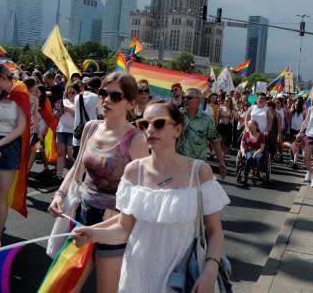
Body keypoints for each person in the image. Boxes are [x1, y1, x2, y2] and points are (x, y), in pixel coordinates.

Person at [70, 100, 230, 293]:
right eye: (144, 124)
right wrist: (93, 234)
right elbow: (123, 228)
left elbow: (215, 230)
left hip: (182, 279)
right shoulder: (133, 171)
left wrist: (210, 271)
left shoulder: (199, 172)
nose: (150, 129)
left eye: (159, 123)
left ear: (177, 130)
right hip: (136, 278)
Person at [49, 72, 148, 293]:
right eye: (103, 93)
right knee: (62, 287)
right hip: (82, 215)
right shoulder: (91, 127)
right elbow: (76, 169)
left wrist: (118, 212)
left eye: (115, 96)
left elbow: (141, 194)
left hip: (113, 224)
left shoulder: (137, 140)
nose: (106, 100)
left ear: (131, 104)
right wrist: (60, 195)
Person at [0, 64, 30, 251]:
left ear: (2, 77)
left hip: (8, 146)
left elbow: (20, 129)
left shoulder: (20, 95)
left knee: (0, 197)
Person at [179, 88, 227, 179]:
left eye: (189, 98)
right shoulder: (177, 116)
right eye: (184, 97)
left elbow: (215, 142)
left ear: (198, 100)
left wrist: (221, 162)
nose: (185, 99)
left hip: (196, 167)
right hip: (177, 165)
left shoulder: (207, 120)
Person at [72, 76, 100, 158]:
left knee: (78, 166)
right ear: (98, 88)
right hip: (91, 136)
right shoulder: (96, 97)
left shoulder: (77, 97)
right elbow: (101, 115)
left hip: (78, 135)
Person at [55, 82, 79, 178]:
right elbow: (57, 115)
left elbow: (78, 116)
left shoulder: (79, 102)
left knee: (71, 155)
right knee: (60, 153)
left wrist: (68, 110)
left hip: (73, 131)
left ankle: (76, 175)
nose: (71, 94)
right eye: (69, 93)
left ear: (78, 92)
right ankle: (58, 175)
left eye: (73, 92)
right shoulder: (63, 101)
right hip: (61, 130)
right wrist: (58, 111)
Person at [239, 119, 266, 185]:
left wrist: (255, 153)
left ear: (255, 126)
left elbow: (262, 148)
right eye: (248, 125)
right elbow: (242, 145)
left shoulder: (261, 135)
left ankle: (258, 173)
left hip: (258, 151)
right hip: (248, 151)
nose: (249, 126)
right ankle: (245, 176)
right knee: (249, 158)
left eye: (250, 125)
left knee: (260, 157)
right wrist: (243, 152)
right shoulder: (246, 134)